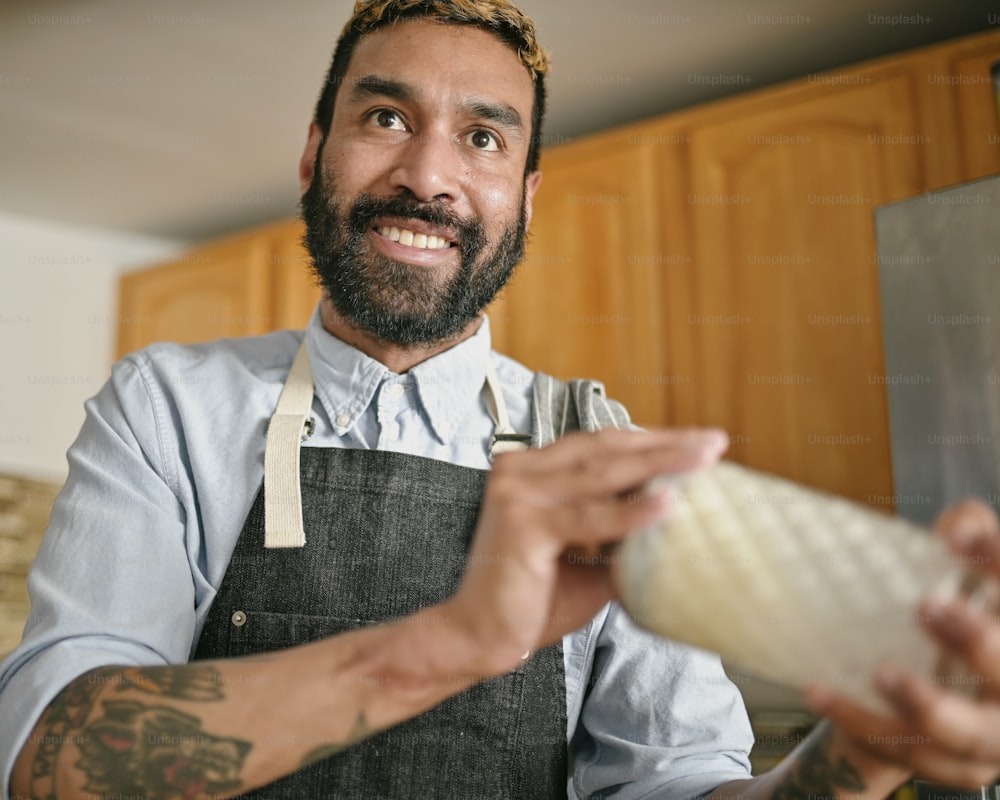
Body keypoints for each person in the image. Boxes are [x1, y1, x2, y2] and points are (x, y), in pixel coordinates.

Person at [3, 1, 1000, 798]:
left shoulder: (602, 452)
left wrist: (862, 756)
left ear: (524, 198)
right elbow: (48, 763)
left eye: (482, 138)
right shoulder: (169, 406)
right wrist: (451, 643)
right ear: (315, 154)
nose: (426, 174)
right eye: (385, 117)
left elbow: (678, 781)